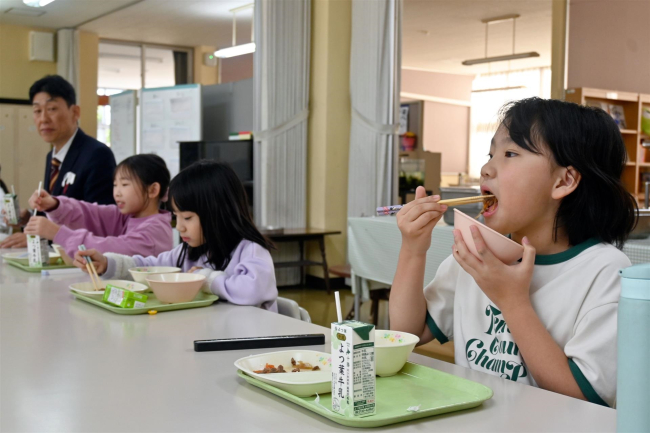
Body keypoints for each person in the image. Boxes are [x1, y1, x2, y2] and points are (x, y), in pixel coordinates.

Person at [389, 97, 637, 408]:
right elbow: (406, 332)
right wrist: (413, 249)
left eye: (509, 153)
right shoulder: (479, 250)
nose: (485, 168)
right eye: (490, 153)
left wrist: (512, 301)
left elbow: (583, 399)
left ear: (564, 181)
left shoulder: (606, 272)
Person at [74, 161, 279, 311]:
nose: (179, 227)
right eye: (176, 217)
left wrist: (206, 279)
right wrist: (108, 264)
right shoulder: (188, 252)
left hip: (251, 347)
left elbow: (254, 290)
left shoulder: (250, 250)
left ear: (218, 213)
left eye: (188, 217)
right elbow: (149, 268)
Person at [0, 75, 116, 249]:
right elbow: (58, 209)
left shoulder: (97, 154)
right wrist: (30, 216)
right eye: (37, 111)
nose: (43, 119)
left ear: (75, 112)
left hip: (85, 260)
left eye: (52, 109)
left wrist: (42, 238)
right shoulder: (53, 157)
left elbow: (102, 222)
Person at [25, 154, 172, 258]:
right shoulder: (127, 216)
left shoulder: (155, 230)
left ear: (152, 190)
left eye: (125, 185)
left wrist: (59, 234)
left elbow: (112, 250)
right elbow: (90, 213)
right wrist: (54, 205)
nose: (117, 193)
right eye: (115, 185)